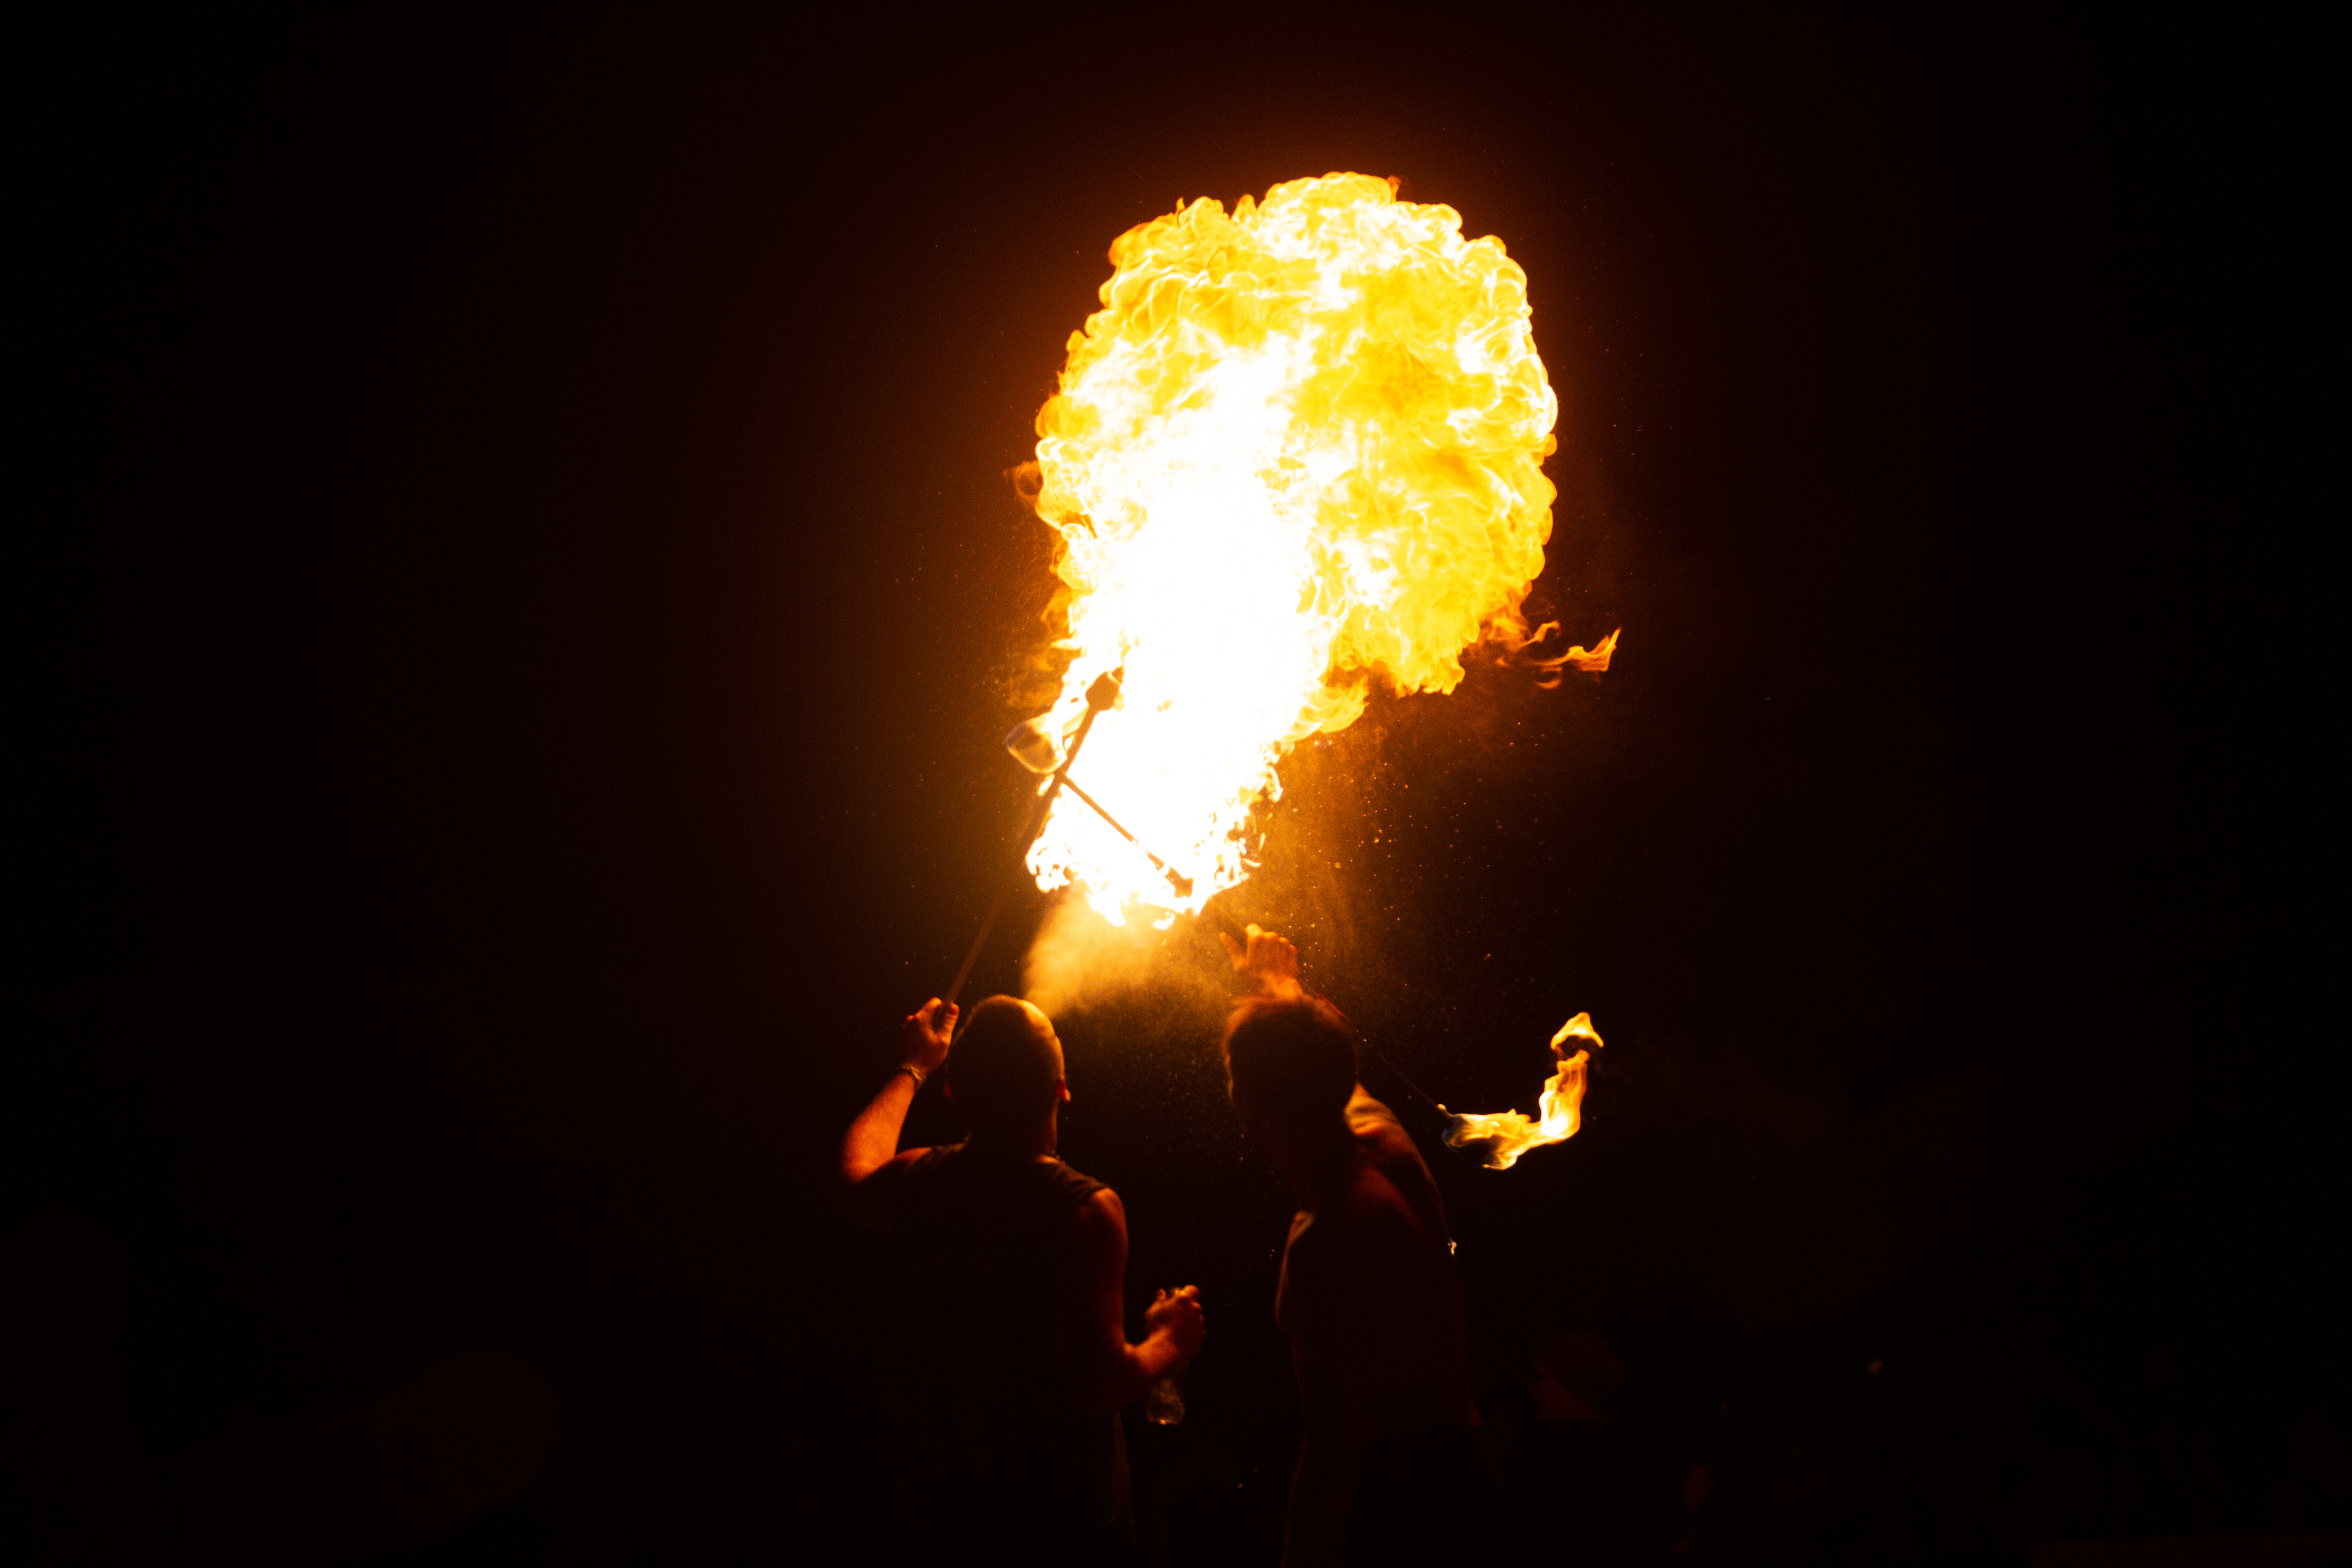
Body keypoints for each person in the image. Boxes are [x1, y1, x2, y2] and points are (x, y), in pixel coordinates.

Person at [833, 993, 1205, 1567]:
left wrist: (913, 1067)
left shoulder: (924, 1183)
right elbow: (1095, 1387)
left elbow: (853, 1177)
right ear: (1062, 1089)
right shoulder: (1083, 1211)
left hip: (952, 1515)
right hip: (1064, 1531)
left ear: (954, 1091)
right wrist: (1169, 1341)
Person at [1219, 927, 1486, 1568]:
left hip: (1398, 1506)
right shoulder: (1388, 1143)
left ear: (1248, 1105)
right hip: (1473, 1477)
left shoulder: (1322, 1242)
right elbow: (1319, 1065)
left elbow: (1329, 1454)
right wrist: (1279, 986)